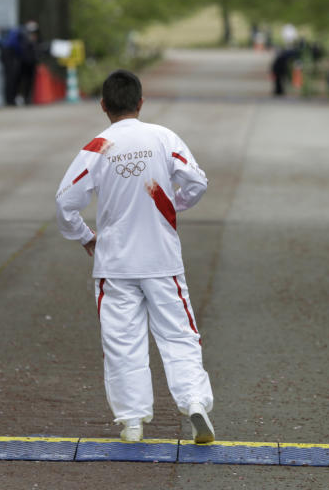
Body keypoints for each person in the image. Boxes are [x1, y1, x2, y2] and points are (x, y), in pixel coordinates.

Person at [55, 70, 215, 444]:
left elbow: (65, 202)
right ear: (140, 103)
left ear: (103, 106)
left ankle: (131, 421)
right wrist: (173, 205)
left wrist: (84, 237)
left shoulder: (96, 147)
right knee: (179, 335)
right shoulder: (162, 137)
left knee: (122, 341)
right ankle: (193, 401)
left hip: (114, 263)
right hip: (162, 259)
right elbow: (197, 181)